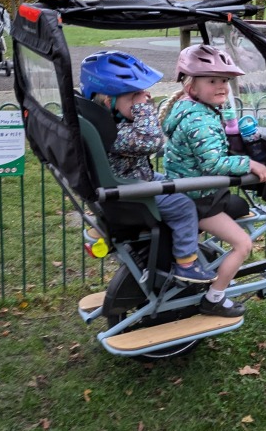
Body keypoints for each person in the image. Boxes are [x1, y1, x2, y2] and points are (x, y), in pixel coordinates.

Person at [79, 51, 216, 286]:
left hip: (130, 179)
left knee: (178, 183)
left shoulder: (103, 123)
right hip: (130, 191)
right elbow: (152, 140)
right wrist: (144, 110)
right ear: (107, 101)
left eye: (143, 93)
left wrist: (136, 103)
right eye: (135, 95)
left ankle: (103, 228)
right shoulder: (115, 134)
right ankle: (187, 263)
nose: (144, 98)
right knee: (183, 206)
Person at [160, 44, 266, 318]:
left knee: (237, 208)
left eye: (224, 80)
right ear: (192, 87)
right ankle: (215, 298)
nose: (222, 86)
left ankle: (210, 266)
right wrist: (250, 163)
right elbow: (214, 164)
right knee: (243, 244)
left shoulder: (188, 108)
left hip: (193, 190)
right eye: (212, 80)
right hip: (199, 197)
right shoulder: (200, 120)